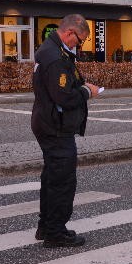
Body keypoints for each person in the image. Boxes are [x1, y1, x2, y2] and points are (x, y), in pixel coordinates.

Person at [31, 14, 100, 248]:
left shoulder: (53, 50)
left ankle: (46, 226)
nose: (79, 45)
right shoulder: (55, 57)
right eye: (80, 40)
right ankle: (55, 233)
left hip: (48, 122)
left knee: (51, 176)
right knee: (62, 180)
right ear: (70, 33)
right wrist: (87, 92)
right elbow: (63, 96)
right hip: (56, 126)